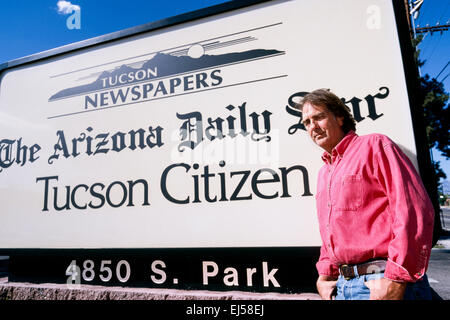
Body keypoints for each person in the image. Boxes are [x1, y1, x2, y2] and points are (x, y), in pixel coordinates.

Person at [296, 88, 435, 300]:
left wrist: (398, 278)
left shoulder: (375, 145)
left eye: (319, 117)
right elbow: (330, 231)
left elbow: (413, 211)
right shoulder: (325, 172)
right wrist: (325, 274)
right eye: (307, 122)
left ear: (340, 117)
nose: (313, 127)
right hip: (342, 287)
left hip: (380, 282)